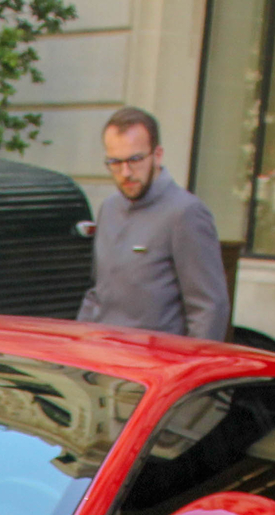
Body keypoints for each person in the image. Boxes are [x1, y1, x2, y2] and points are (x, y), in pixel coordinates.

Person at [77, 106, 230, 342]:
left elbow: (209, 308)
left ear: (157, 155)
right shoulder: (108, 209)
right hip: (104, 362)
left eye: (135, 159)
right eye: (115, 162)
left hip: (157, 367)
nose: (125, 172)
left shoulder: (186, 213)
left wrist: (189, 370)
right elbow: (98, 294)